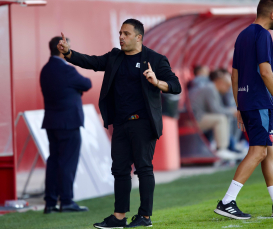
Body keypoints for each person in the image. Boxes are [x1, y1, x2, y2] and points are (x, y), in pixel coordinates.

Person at [57, 19, 181, 228]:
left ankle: (145, 217)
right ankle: (119, 217)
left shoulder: (155, 59)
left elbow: (175, 86)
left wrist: (157, 82)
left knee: (143, 169)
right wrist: (69, 53)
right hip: (121, 124)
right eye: (120, 33)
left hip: (143, 123)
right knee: (120, 170)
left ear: (138, 37)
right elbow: (92, 62)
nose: (121, 37)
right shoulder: (115, 57)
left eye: (126, 34)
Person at [214, 0, 273, 219]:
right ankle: (227, 201)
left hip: (248, 102)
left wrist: (240, 105)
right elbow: (265, 72)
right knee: (259, 151)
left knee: (270, 148)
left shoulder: (243, 35)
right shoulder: (264, 35)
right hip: (260, 102)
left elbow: (234, 75)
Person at [40, 36, 92, 214]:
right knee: (67, 163)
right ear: (62, 48)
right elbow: (87, 83)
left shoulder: (45, 70)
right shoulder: (66, 70)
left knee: (54, 162)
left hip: (51, 123)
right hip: (69, 123)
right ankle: (67, 201)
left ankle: (50, 202)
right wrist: (76, 90)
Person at [189, 70, 242, 160]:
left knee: (222, 117)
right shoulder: (210, 88)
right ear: (220, 82)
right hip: (194, 120)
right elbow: (215, 110)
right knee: (220, 119)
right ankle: (221, 149)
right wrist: (232, 112)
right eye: (227, 86)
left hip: (197, 118)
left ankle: (223, 147)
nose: (228, 89)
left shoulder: (211, 88)